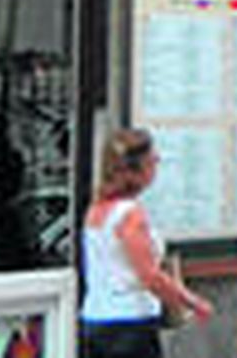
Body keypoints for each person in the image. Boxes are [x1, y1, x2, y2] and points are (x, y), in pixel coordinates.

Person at [81, 128, 212, 358]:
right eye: (152, 161)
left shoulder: (96, 210)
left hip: (96, 317)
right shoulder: (130, 214)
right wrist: (191, 301)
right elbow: (149, 275)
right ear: (135, 169)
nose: (157, 165)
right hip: (129, 322)